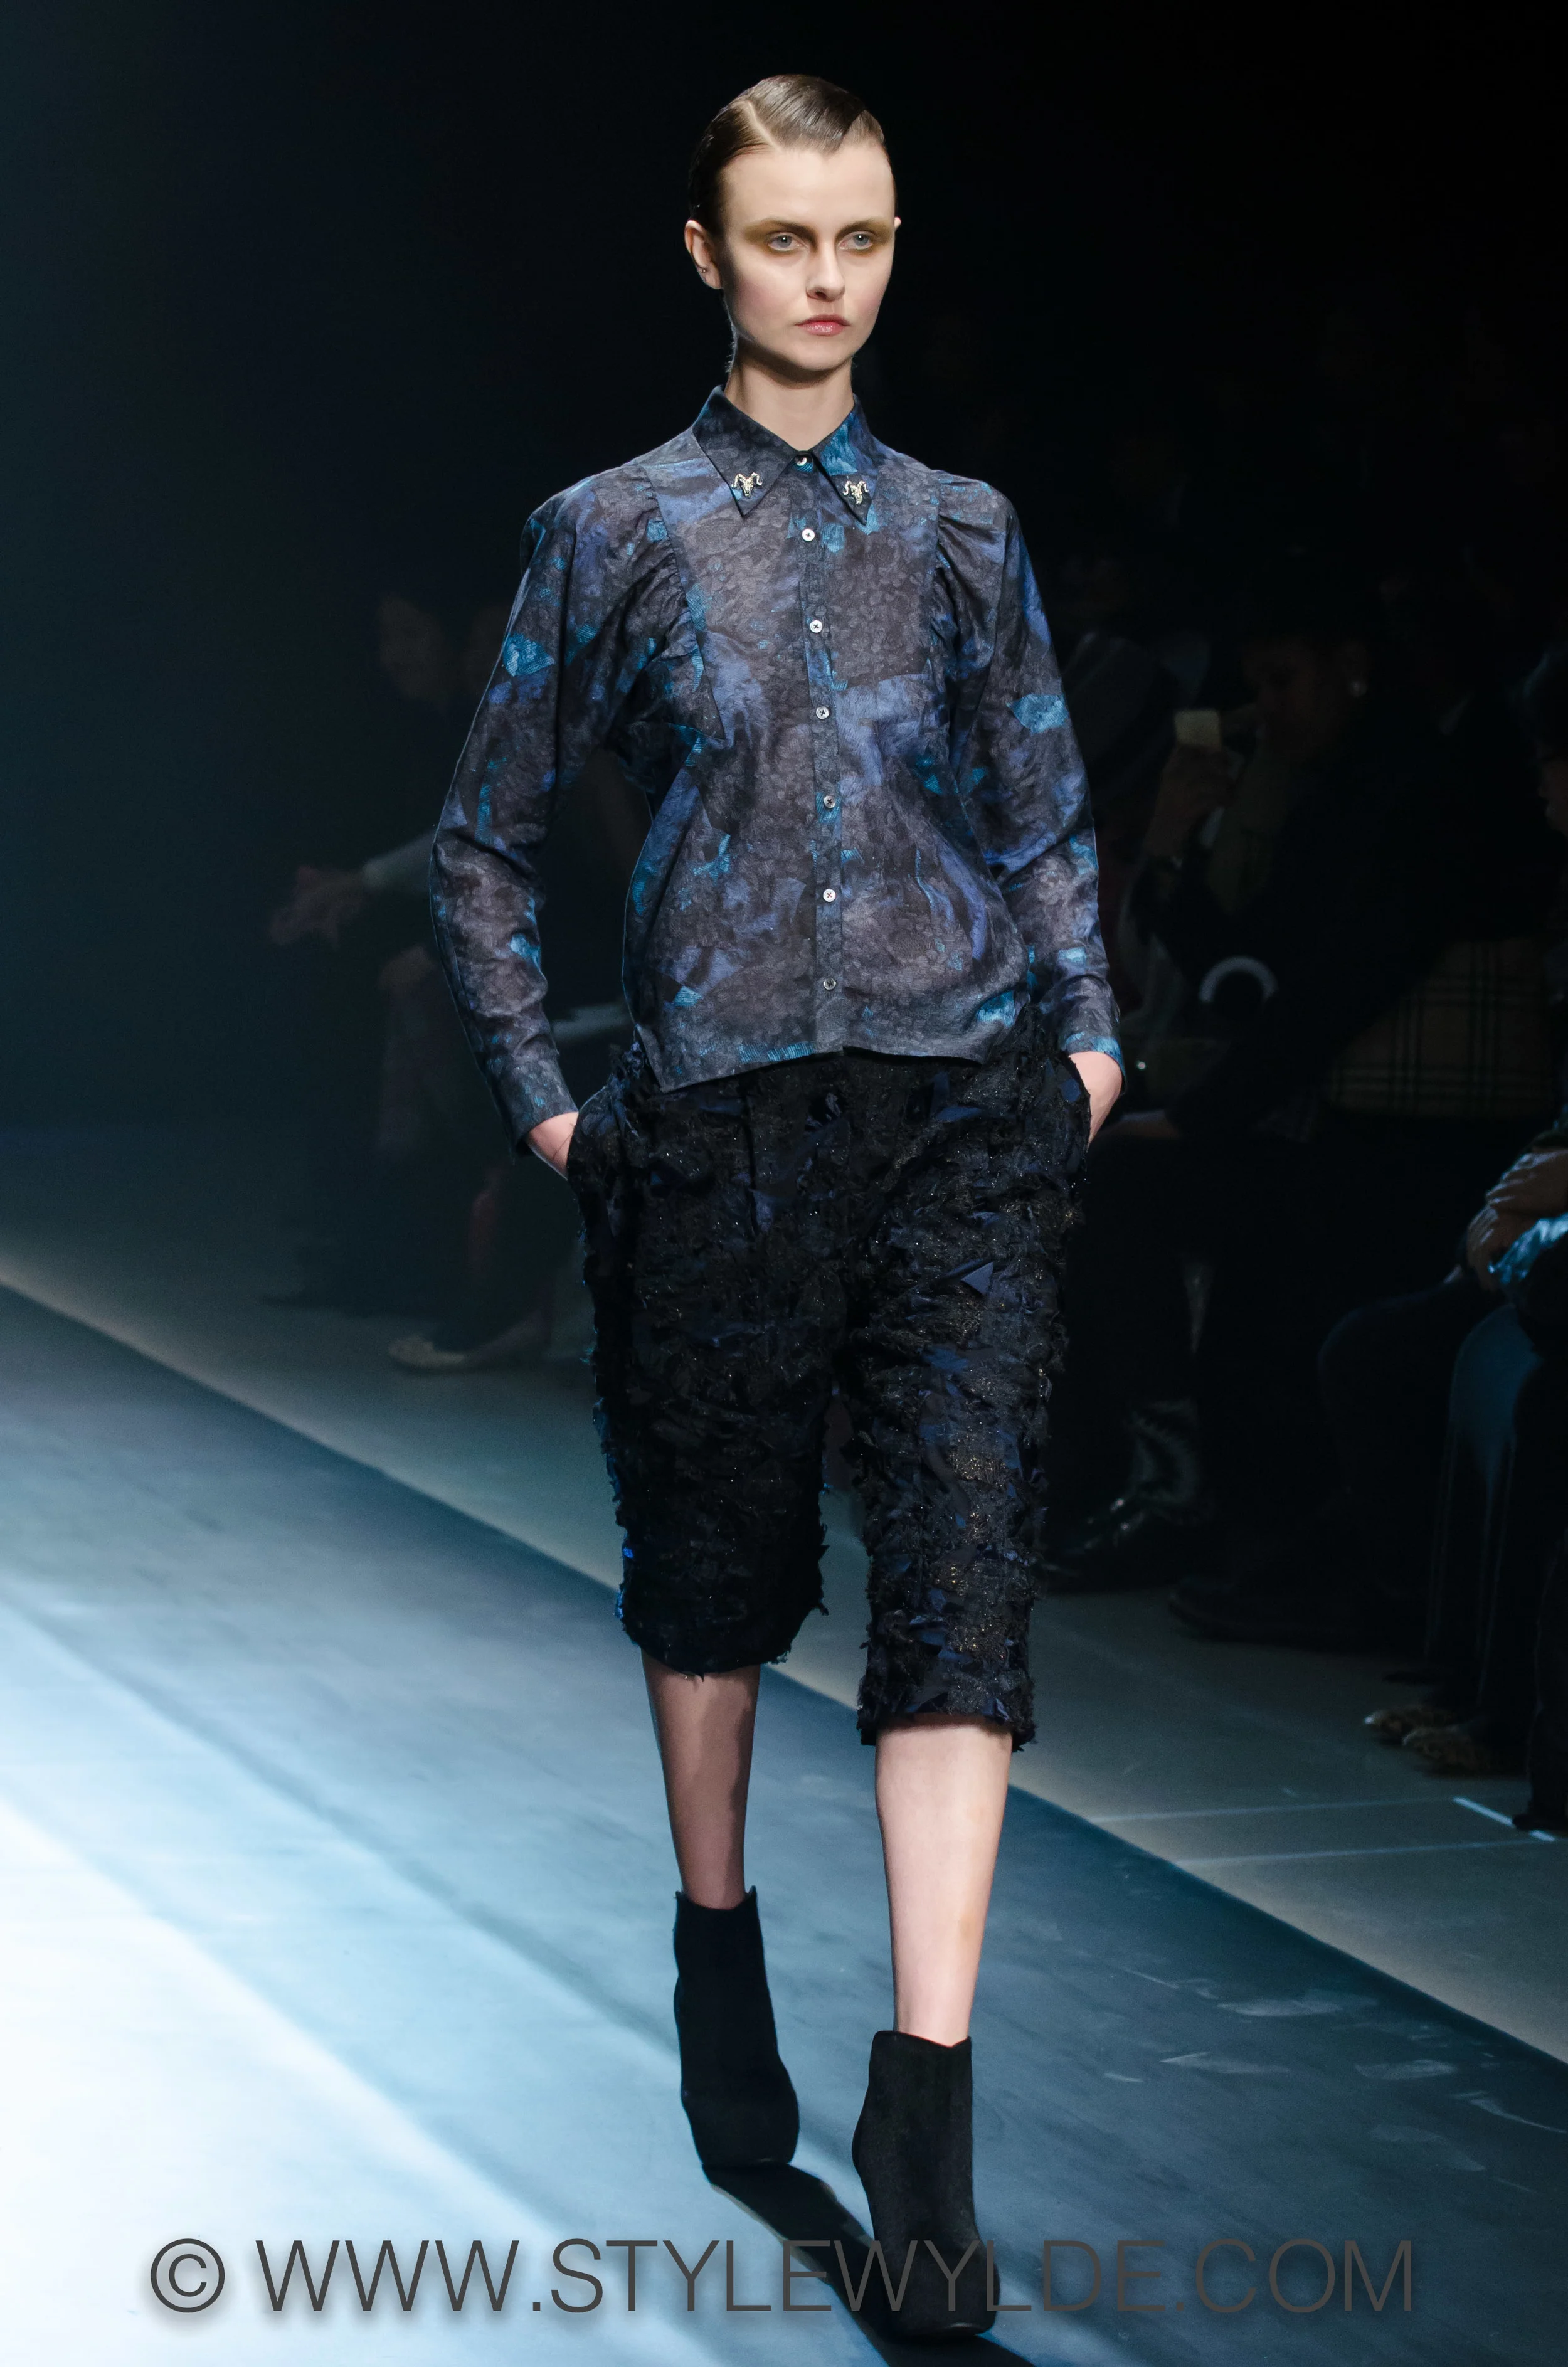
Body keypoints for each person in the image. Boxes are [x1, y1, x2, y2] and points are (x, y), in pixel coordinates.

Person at [428, 75, 1121, 2340]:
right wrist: (550, 1108)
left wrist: (1090, 1046)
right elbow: (482, 838)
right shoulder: (608, 529)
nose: (829, 276)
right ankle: (714, 1941)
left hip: (964, 1117)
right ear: (706, 254)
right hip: (716, 1123)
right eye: (787, 235)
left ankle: (924, 2120)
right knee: (716, 1575)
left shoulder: (965, 533)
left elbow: (1044, 809)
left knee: (959, 1578)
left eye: (865, 235)